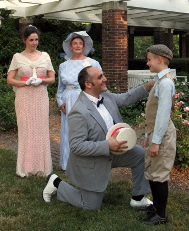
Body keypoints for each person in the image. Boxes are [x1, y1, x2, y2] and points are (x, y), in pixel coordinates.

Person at [43, 66, 155, 210]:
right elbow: (77, 146)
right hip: (92, 161)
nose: (105, 79)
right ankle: (56, 183)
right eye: (100, 77)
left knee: (140, 154)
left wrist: (148, 85)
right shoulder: (78, 111)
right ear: (88, 84)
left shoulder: (106, 96)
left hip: (114, 153)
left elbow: (126, 98)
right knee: (91, 206)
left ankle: (138, 198)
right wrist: (107, 145)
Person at [7, 25, 55, 177]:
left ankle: (43, 167)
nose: (34, 43)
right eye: (31, 40)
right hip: (24, 97)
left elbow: (52, 78)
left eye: (36, 39)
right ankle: (26, 167)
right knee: (26, 130)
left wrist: (41, 81)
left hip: (40, 96)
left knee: (40, 130)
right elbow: (10, 79)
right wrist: (25, 83)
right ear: (24, 40)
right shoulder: (17, 57)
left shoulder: (45, 56)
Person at [141, 44, 176, 225]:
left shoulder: (166, 83)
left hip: (161, 134)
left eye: (149, 59)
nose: (147, 63)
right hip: (155, 132)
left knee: (159, 174)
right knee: (153, 171)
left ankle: (161, 215)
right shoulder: (160, 81)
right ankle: (156, 206)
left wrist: (156, 142)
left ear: (159, 60)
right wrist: (149, 135)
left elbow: (163, 115)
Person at [56, 31, 102, 170]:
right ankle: (67, 163)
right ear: (70, 46)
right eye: (75, 43)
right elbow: (60, 88)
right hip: (68, 99)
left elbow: (100, 83)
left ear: (84, 46)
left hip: (86, 97)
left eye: (80, 43)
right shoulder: (63, 66)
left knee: (87, 128)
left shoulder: (92, 63)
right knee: (69, 129)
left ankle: (87, 161)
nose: (78, 46)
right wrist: (60, 102)